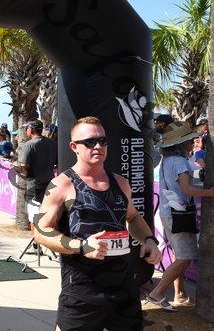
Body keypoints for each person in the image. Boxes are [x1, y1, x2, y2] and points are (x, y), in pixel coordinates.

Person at [34, 116, 161, 330]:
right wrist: (82, 246)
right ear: (74, 147)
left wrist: (149, 240)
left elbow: (133, 217)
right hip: (82, 291)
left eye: (103, 140)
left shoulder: (121, 183)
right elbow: (40, 230)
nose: (98, 146)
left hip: (124, 289)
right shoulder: (61, 185)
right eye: (90, 142)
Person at [147, 121, 214, 311]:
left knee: (180, 255)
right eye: (190, 139)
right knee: (185, 258)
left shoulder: (167, 160)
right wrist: (210, 193)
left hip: (170, 213)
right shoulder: (179, 162)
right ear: (181, 143)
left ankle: (180, 294)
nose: (193, 142)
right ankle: (157, 293)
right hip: (179, 214)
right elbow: (187, 189)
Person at [17, 120, 57, 204]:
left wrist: (17, 167)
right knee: (46, 207)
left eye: (27, 128)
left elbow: (23, 165)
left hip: (34, 185)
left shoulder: (29, 144)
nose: (26, 131)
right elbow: (57, 164)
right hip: (49, 183)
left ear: (31, 130)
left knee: (33, 209)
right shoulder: (53, 143)